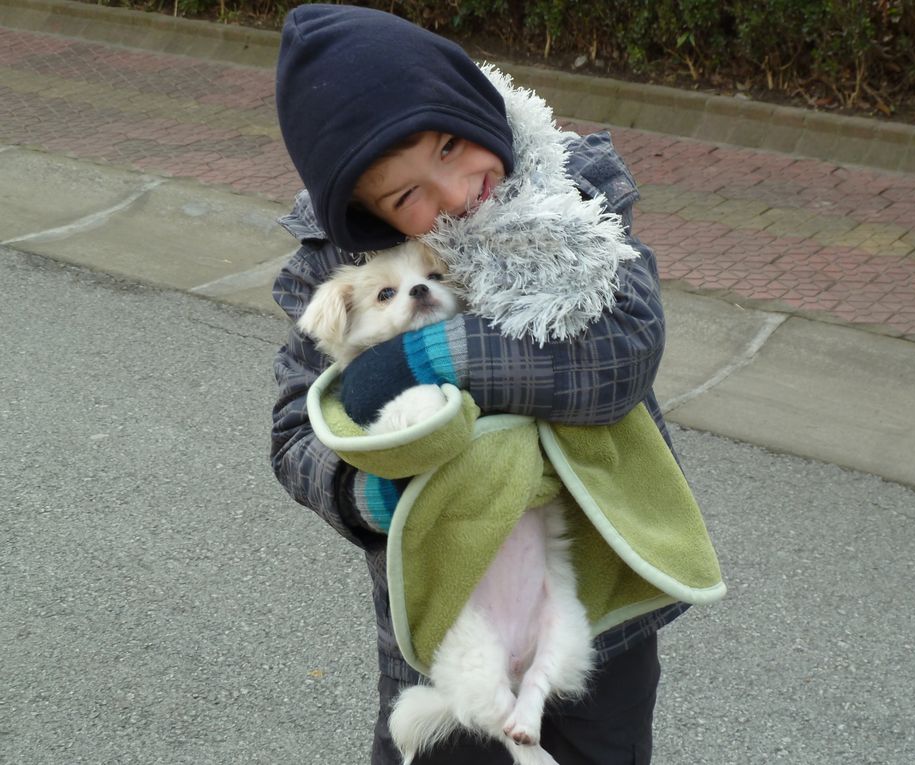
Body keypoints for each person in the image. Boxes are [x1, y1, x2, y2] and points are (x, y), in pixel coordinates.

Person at [271, 5, 701, 763]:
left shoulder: (573, 192)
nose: (455, 192)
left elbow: (620, 354)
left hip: (593, 592)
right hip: (442, 599)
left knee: (604, 744)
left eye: (450, 144)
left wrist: (421, 359)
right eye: (407, 197)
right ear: (365, 214)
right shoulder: (331, 254)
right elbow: (293, 432)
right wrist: (372, 492)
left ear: (475, 106)